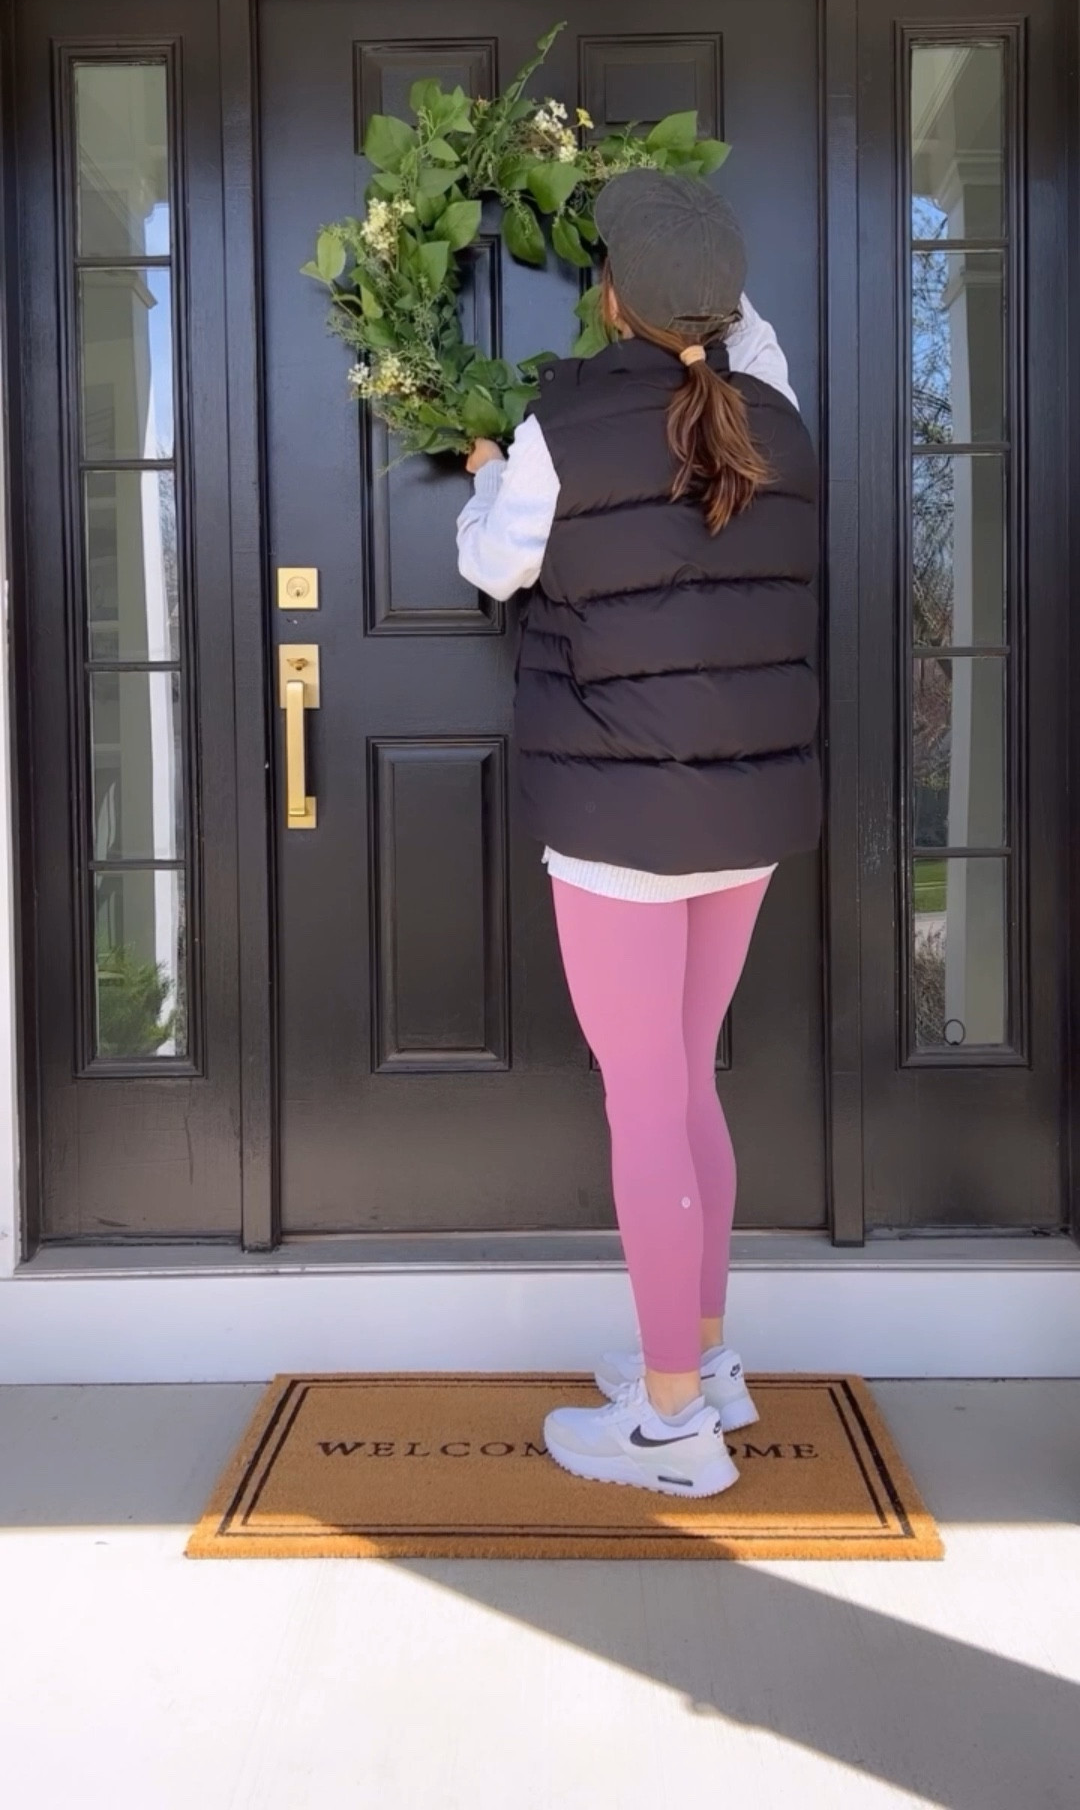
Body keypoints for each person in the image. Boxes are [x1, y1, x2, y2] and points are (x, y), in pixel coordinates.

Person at [456, 169, 820, 1500]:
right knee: (688, 1084)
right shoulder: (773, 403)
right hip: (748, 820)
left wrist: (487, 478)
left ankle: (673, 1428)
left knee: (644, 1103)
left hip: (617, 821)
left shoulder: (565, 429)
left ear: (607, 300)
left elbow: (496, 563)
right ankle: (705, 1363)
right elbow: (729, 329)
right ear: (718, 308)